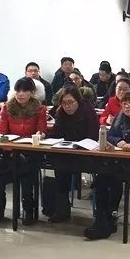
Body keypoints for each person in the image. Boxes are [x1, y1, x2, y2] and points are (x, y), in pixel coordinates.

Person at [86, 91, 130, 240]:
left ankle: (110, 217)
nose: (127, 106)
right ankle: (102, 218)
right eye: (124, 103)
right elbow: (111, 135)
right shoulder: (119, 117)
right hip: (117, 160)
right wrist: (119, 141)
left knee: (114, 179)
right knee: (101, 179)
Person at [0, 77, 49, 225]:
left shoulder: (40, 109)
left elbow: (42, 129)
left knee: (26, 177)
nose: (21, 94)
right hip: (10, 152)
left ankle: (28, 211)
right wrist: (9, 146)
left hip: (30, 153)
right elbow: (1, 131)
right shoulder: (7, 107)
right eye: (18, 90)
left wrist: (40, 134)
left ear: (32, 92)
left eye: (25, 91)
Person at [47, 85, 100, 223]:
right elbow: (56, 132)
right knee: (59, 168)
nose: (67, 106)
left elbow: (93, 135)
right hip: (67, 152)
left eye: (71, 102)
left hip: (86, 153)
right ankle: (62, 210)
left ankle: (100, 215)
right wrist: (44, 137)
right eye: (64, 103)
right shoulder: (61, 112)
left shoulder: (88, 111)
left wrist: (80, 145)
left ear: (78, 101)